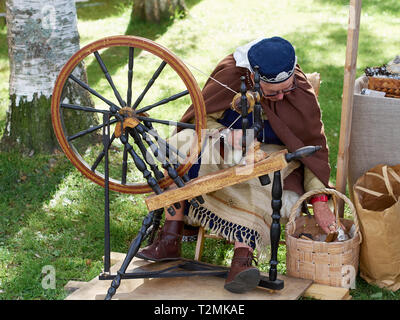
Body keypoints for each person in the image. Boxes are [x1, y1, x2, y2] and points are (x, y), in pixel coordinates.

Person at [136, 36, 337, 293]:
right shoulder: (231, 74)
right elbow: (199, 119)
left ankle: (242, 260)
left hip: (272, 153)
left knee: (260, 175)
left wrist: (319, 202)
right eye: (274, 92)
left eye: (287, 89)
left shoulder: (300, 91)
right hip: (224, 143)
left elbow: (314, 148)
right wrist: (225, 134)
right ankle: (170, 238)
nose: (282, 96)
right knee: (181, 145)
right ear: (254, 78)